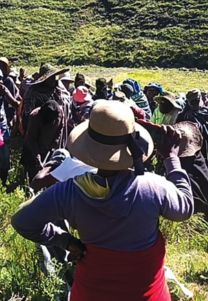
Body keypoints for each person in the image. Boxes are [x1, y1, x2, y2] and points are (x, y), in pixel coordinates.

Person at [11, 100, 195, 300]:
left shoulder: (69, 191)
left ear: (89, 144)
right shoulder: (153, 187)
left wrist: (66, 241)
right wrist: (172, 159)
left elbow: (22, 221)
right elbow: (184, 208)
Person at [25, 100, 68, 178]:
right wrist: (37, 158)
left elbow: (60, 128)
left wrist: (54, 144)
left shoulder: (59, 112)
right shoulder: (35, 116)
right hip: (33, 149)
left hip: (49, 148)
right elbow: (31, 139)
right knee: (33, 173)